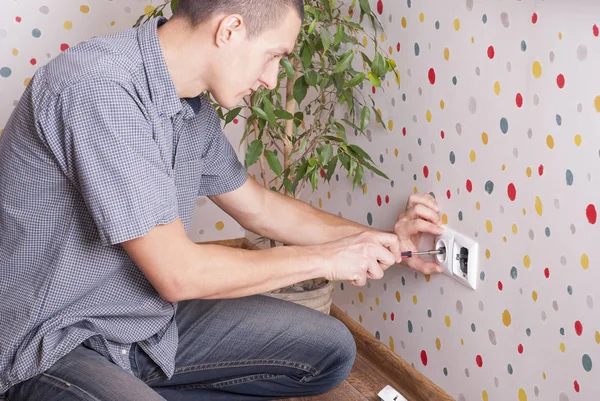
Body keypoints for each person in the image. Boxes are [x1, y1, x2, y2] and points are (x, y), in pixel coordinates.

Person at [0, 0, 444, 399]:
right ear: (229, 29)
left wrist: (387, 241)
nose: (272, 80)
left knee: (330, 350)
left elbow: (260, 208)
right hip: (49, 343)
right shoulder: (99, 88)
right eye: (274, 56)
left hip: (139, 323)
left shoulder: (190, 108)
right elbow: (178, 274)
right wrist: (325, 260)